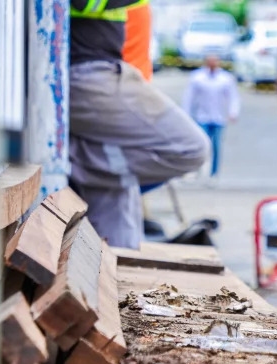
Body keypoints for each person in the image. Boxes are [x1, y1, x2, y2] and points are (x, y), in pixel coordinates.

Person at [68, 0, 209, 249]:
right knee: (190, 148)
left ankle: (84, 166)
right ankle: (70, 162)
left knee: (120, 239)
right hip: (90, 74)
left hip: (106, 78)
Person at [182, 54, 241, 182]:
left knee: (216, 146)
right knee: (201, 145)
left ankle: (213, 173)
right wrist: (186, 113)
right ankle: (197, 170)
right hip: (202, 116)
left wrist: (233, 112)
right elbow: (189, 97)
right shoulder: (198, 78)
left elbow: (233, 97)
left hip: (218, 117)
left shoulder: (225, 78)